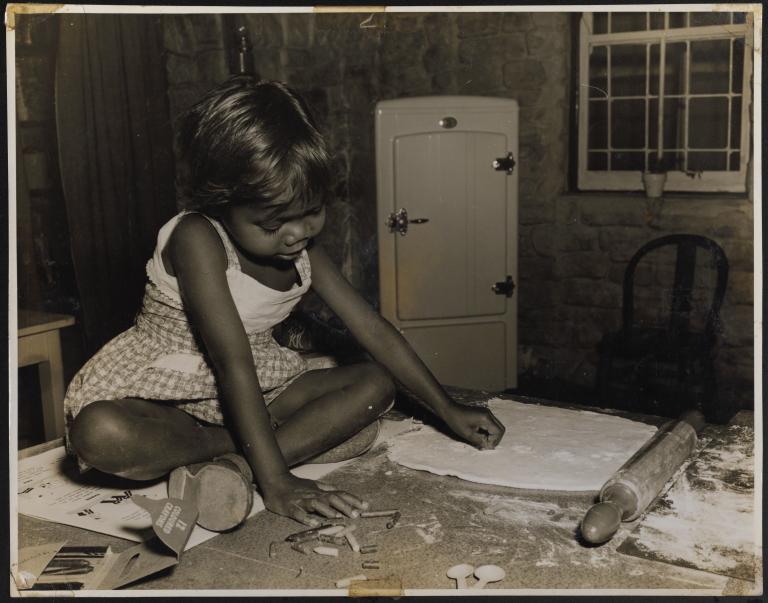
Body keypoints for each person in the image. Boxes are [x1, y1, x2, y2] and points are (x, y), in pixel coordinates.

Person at [64, 76, 505, 532]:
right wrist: (277, 482)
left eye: (311, 212)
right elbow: (229, 361)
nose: (296, 234)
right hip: (164, 391)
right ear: (223, 202)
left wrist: (446, 408)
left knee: (376, 383)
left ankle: (237, 464)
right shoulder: (197, 236)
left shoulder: (303, 251)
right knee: (98, 433)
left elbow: (371, 330)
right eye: (273, 223)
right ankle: (261, 454)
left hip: (257, 389)